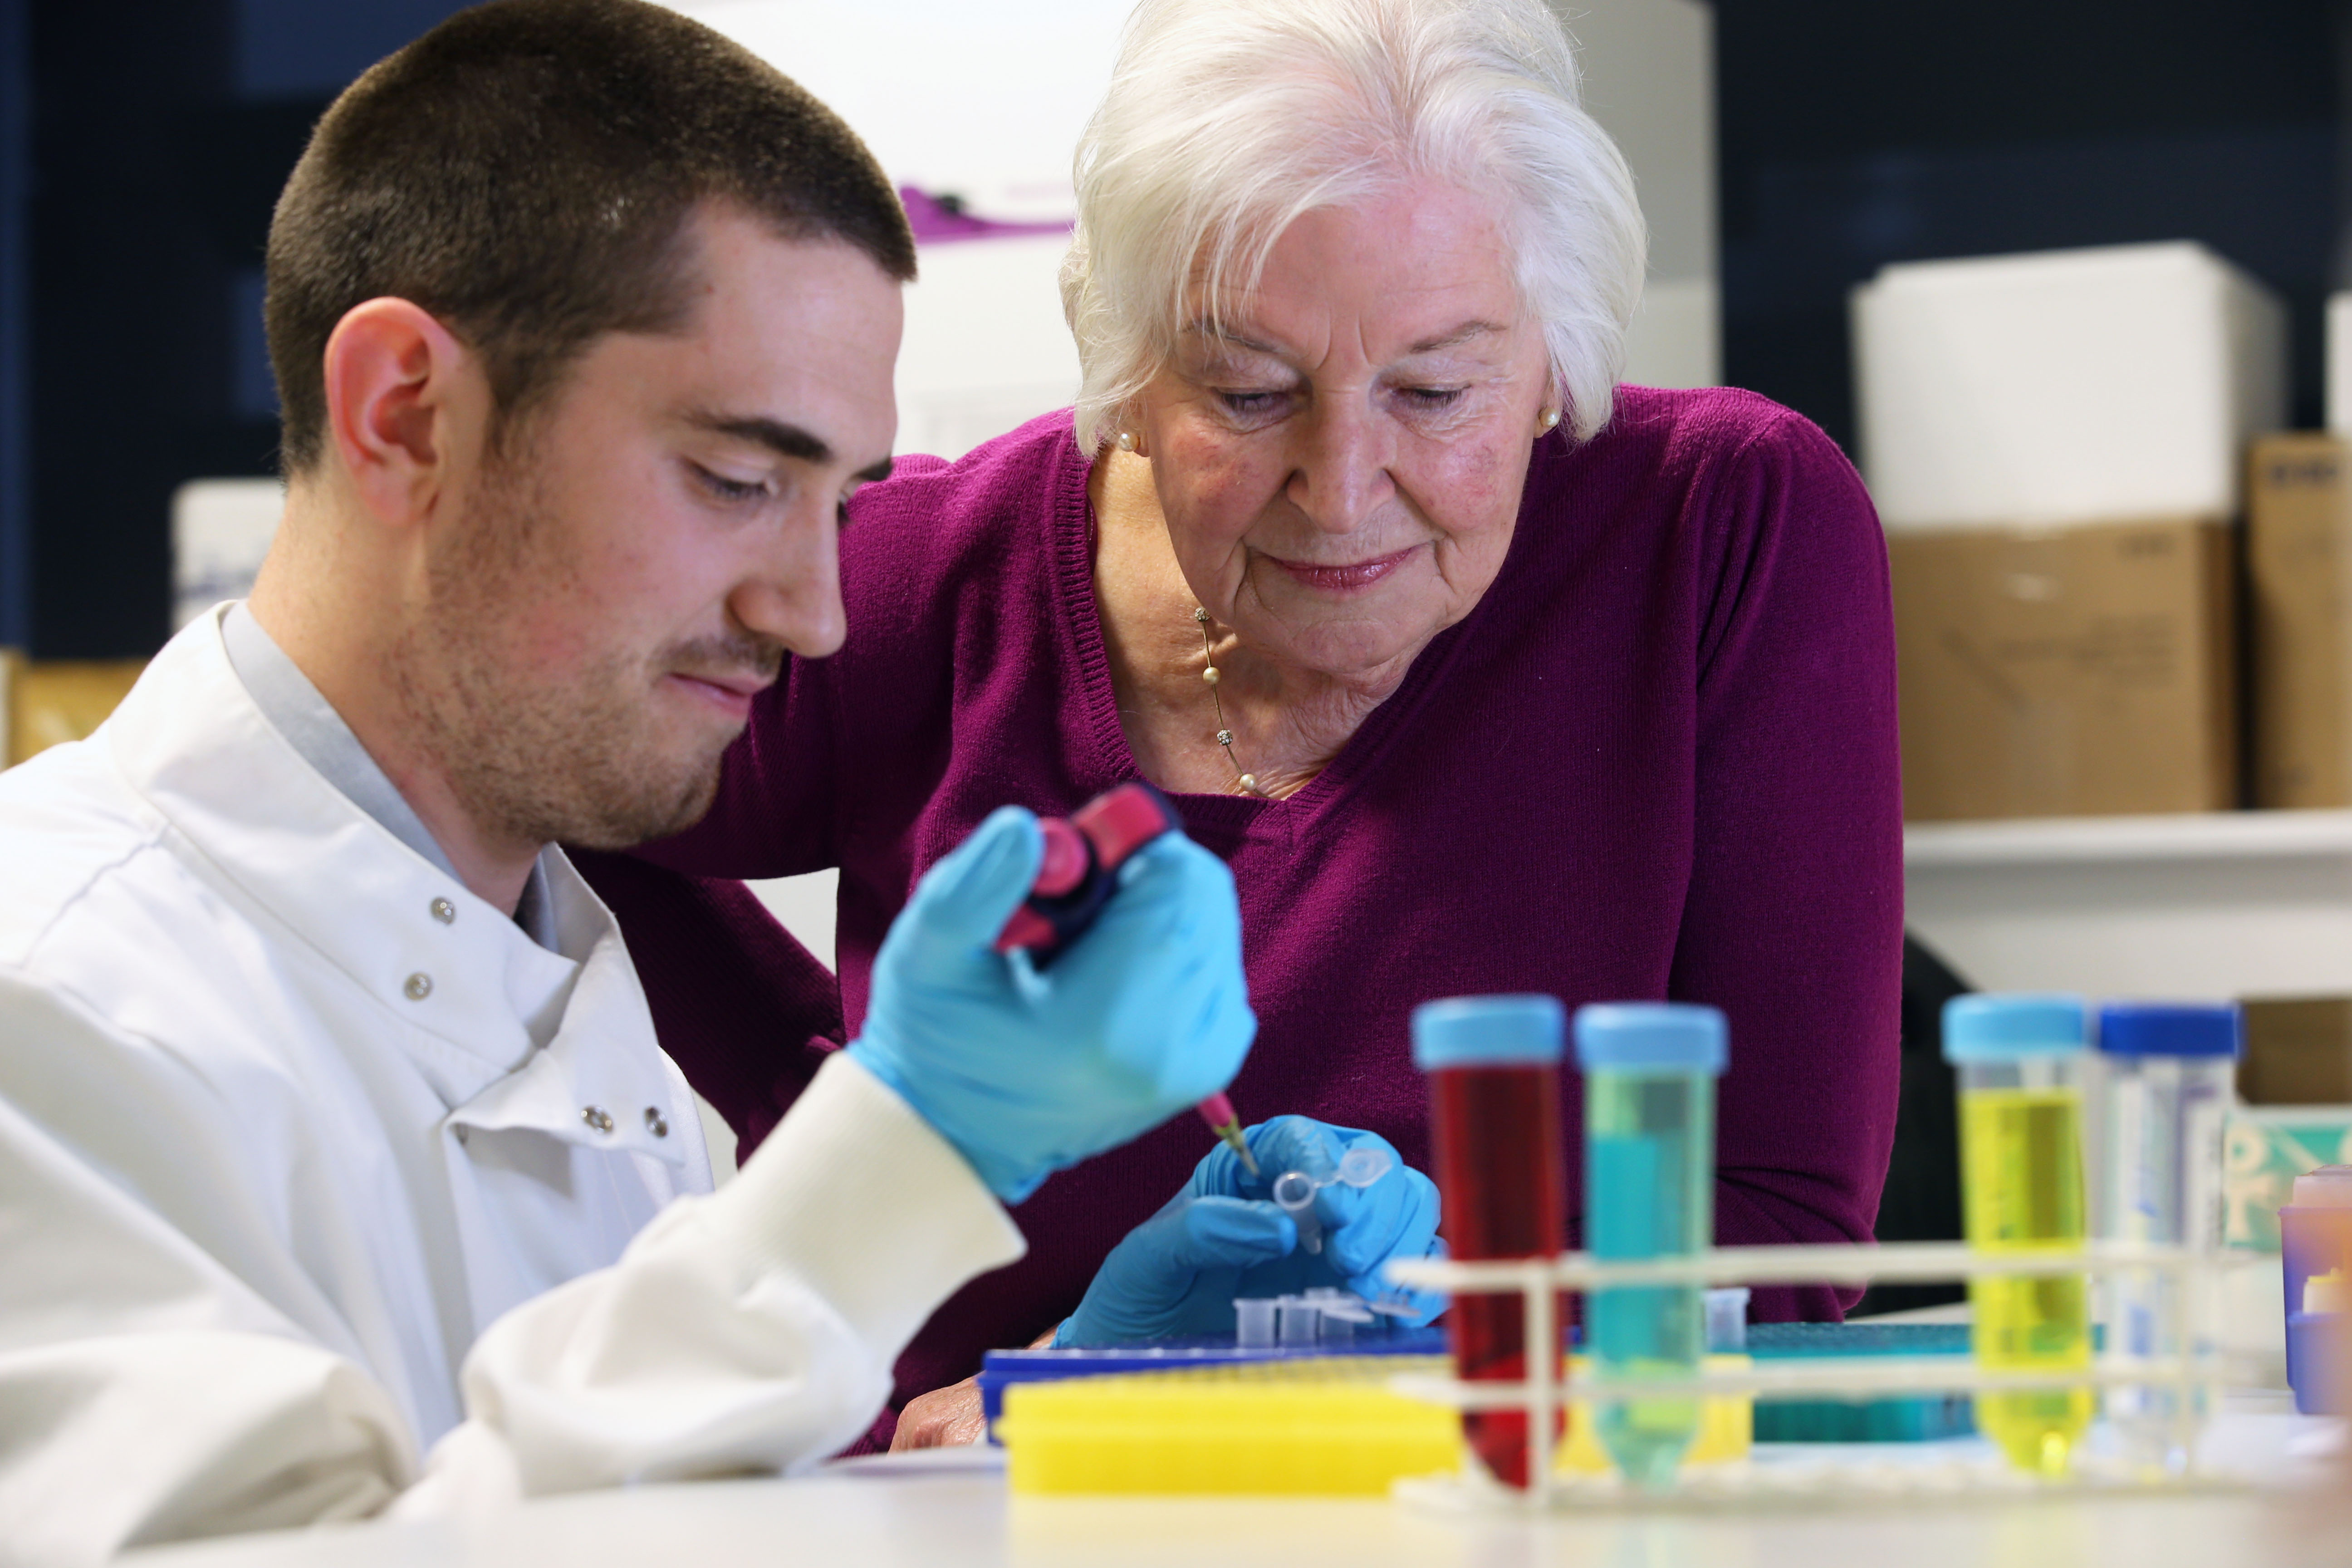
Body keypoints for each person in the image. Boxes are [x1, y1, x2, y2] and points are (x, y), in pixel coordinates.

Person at [0, 4, 1441, 1558]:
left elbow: (660, 1500)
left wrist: (1082, 1389)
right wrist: (911, 1151)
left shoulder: (570, 987)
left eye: (834, 503)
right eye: (741, 483)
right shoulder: (55, 997)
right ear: (407, 413)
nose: (813, 614)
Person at [589, 0, 1905, 1450]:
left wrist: (1322, 1374)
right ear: (1131, 379)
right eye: (1251, 392)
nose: (1343, 488)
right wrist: (839, 1104)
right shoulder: (917, 590)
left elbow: (1782, 1228)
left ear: (1551, 367)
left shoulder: (1720, 526)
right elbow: (569, 788)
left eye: (1436, 388)